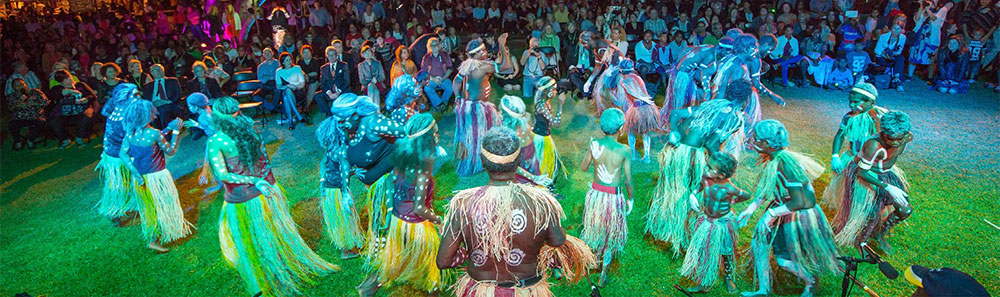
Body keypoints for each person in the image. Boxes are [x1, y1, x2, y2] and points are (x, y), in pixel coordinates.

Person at [437, 126, 596, 297]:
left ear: (483, 161)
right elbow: (557, 241)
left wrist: (467, 252)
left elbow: (443, 261)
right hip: (526, 289)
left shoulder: (463, 203)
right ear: (519, 160)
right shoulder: (541, 202)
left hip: (480, 290)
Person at [208, 97, 338, 296]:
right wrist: (263, 181)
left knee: (244, 243)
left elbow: (223, 174)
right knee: (272, 233)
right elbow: (265, 160)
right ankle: (279, 267)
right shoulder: (251, 129)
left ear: (217, 117)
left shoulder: (217, 140)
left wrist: (253, 180)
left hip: (242, 199)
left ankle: (256, 288)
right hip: (268, 192)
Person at [736, 119, 840, 297]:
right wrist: (751, 208)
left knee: (784, 260)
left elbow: (802, 202)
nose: (752, 141)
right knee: (759, 244)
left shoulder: (786, 164)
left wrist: (771, 214)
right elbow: (768, 187)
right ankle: (763, 289)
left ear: (766, 144)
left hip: (797, 215)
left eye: (756, 139)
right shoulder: (774, 158)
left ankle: (810, 280)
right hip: (782, 207)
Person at [647, 80, 752, 255]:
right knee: (686, 194)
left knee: (671, 190)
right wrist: (719, 166)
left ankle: (666, 228)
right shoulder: (734, 117)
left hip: (673, 150)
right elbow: (712, 144)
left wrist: (673, 131)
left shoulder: (710, 105)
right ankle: (678, 235)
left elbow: (675, 114)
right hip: (690, 158)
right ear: (747, 99)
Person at [358, 113, 444, 296]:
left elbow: (390, 180)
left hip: (398, 222)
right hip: (415, 226)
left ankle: (371, 286)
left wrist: (390, 212)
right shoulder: (423, 165)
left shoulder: (405, 154)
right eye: (435, 133)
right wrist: (438, 220)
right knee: (431, 261)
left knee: (395, 258)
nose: (438, 136)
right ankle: (432, 287)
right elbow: (419, 208)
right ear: (426, 139)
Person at [827, 111, 913, 252]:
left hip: (885, 173)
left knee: (905, 209)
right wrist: (888, 187)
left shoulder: (907, 137)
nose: (896, 143)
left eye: (900, 139)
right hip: (865, 174)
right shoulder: (873, 145)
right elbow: (862, 172)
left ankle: (879, 233)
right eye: (891, 139)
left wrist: (889, 184)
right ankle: (862, 240)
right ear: (883, 133)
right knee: (872, 212)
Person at [119, 100, 192, 253]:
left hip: (142, 179)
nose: (155, 114)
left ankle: (154, 239)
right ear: (147, 115)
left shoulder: (130, 134)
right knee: (163, 206)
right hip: (157, 177)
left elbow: (123, 154)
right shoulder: (154, 133)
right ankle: (160, 236)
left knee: (149, 209)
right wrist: (177, 132)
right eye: (152, 112)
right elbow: (170, 150)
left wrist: (136, 175)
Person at [579, 108, 634, 287]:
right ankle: (603, 274)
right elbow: (628, 180)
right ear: (621, 128)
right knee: (611, 232)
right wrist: (630, 199)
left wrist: (591, 149)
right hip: (612, 198)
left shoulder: (595, 144)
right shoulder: (624, 149)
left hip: (596, 196)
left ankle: (593, 260)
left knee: (596, 227)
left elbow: (584, 167)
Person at [681, 152, 750, 294]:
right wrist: (693, 194)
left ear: (722, 175)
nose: (706, 169)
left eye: (710, 168)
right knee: (706, 250)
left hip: (723, 223)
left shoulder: (729, 188)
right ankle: (704, 281)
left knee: (726, 251)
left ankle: (728, 277)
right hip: (707, 221)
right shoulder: (707, 177)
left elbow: (746, 195)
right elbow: (699, 186)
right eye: (707, 165)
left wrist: (732, 202)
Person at [452, 35, 514, 176]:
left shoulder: (467, 65)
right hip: (476, 109)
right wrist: (501, 44)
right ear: (477, 54)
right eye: (483, 51)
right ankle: (479, 161)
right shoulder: (483, 66)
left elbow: (456, 81)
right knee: (479, 135)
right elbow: (506, 66)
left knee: (471, 136)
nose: (485, 53)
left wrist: (457, 98)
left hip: (466, 106)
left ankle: (473, 161)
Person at [314, 111, 365, 260]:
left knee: (339, 219)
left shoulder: (330, 149)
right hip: (338, 190)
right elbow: (344, 173)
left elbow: (323, 164)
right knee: (345, 217)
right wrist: (346, 192)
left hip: (329, 190)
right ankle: (348, 249)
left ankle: (347, 245)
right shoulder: (341, 151)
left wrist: (322, 182)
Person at [95, 83, 139, 224]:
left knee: (117, 184)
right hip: (122, 156)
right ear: (126, 97)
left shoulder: (115, 110)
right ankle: (119, 210)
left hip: (111, 155)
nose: (138, 97)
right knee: (126, 182)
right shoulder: (128, 114)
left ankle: (117, 208)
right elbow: (133, 138)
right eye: (135, 94)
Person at [337, 94, 406, 185]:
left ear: (354, 115)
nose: (340, 125)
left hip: (392, 182)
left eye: (342, 121)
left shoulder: (373, 123)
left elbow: (407, 132)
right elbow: (343, 157)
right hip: (374, 186)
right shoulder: (346, 130)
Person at [615, 60, 661, 163]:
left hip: (638, 108)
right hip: (647, 108)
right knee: (645, 132)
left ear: (621, 71)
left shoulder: (624, 81)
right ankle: (647, 157)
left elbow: (630, 94)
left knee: (631, 131)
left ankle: (633, 155)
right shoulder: (638, 78)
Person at [49, 69, 97, 148]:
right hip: (65, 111)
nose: (69, 80)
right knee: (54, 121)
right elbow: (56, 94)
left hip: (81, 108)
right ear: (61, 82)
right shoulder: (57, 88)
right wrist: (71, 91)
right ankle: (65, 139)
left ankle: (79, 138)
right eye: (66, 79)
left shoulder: (80, 85)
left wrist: (85, 99)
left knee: (87, 116)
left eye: (69, 77)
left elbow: (92, 96)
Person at [6, 78, 48, 151]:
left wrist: (35, 103)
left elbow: (46, 102)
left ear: (25, 84)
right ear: (13, 87)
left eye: (21, 84)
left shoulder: (36, 92)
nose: (20, 86)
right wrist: (19, 101)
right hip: (19, 118)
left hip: (35, 116)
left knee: (41, 123)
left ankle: (31, 139)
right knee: (12, 125)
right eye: (17, 85)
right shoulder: (11, 96)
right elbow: (10, 108)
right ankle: (18, 141)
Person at [141, 64, 183, 130]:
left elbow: (178, 95)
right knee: (151, 112)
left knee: (163, 110)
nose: (159, 71)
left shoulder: (173, 81)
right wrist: (153, 104)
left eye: (160, 69)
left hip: (170, 104)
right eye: (156, 70)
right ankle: (157, 133)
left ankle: (165, 132)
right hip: (154, 106)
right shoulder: (148, 86)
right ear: (152, 73)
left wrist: (166, 101)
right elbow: (146, 100)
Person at [314, 45, 351, 117]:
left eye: (333, 55)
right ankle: (329, 113)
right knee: (318, 95)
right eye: (329, 55)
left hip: (341, 89)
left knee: (349, 92)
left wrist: (338, 92)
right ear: (327, 56)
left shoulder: (344, 65)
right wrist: (329, 93)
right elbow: (322, 83)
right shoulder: (324, 68)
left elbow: (347, 81)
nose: (331, 57)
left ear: (336, 55)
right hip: (329, 90)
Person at [275, 52, 307, 129]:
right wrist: (288, 86)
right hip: (285, 91)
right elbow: (278, 86)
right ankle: (297, 114)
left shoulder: (297, 68)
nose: (289, 62)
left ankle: (290, 121)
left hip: (297, 91)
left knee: (286, 97)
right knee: (287, 92)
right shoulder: (279, 71)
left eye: (290, 60)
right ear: (282, 62)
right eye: (287, 60)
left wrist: (294, 87)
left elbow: (302, 84)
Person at [421, 38, 454, 109]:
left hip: (443, 78)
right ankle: (439, 105)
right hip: (431, 79)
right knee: (427, 88)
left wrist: (443, 78)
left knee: (450, 87)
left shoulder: (445, 55)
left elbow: (450, 68)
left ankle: (443, 104)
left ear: (439, 45)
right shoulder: (426, 57)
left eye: (436, 45)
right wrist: (433, 79)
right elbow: (423, 72)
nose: (434, 47)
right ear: (429, 47)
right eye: (432, 45)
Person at [874, 21, 907, 91]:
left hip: (893, 57)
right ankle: (897, 80)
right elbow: (877, 50)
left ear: (901, 30)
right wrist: (885, 55)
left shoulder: (902, 38)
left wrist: (893, 54)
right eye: (894, 28)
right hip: (882, 57)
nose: (895, 31)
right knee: (897, 61)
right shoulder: (883, 37)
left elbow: (899, 50)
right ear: (891, 29)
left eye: (898, 29)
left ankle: (896, 78)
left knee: (900, 58)